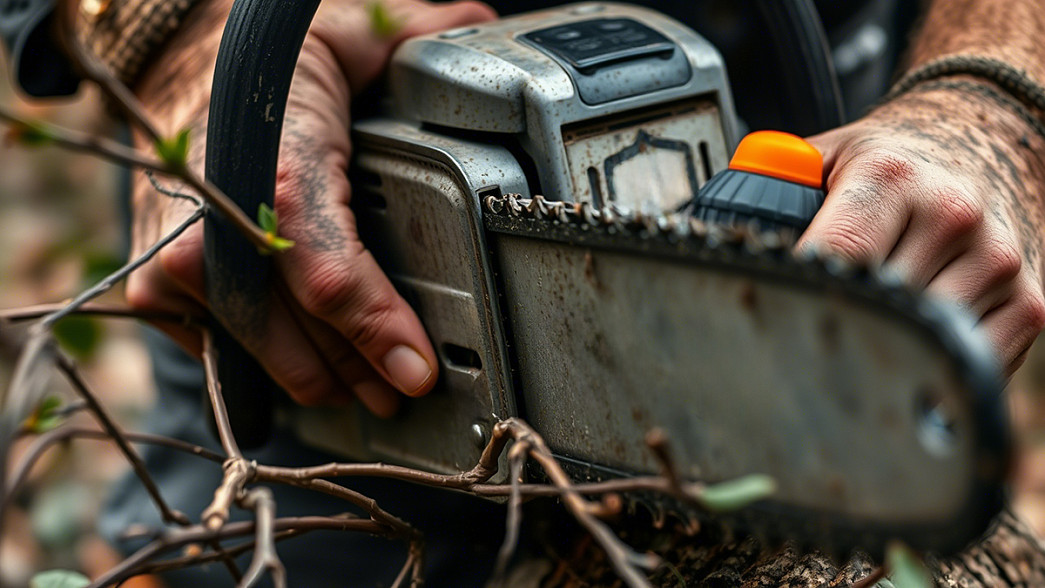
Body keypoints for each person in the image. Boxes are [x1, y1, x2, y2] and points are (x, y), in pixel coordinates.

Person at [4, 0, 1045, 585]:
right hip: (332, 186)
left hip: (836, 106)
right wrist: (192, 44)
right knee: (260, 542)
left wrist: (992, 102)